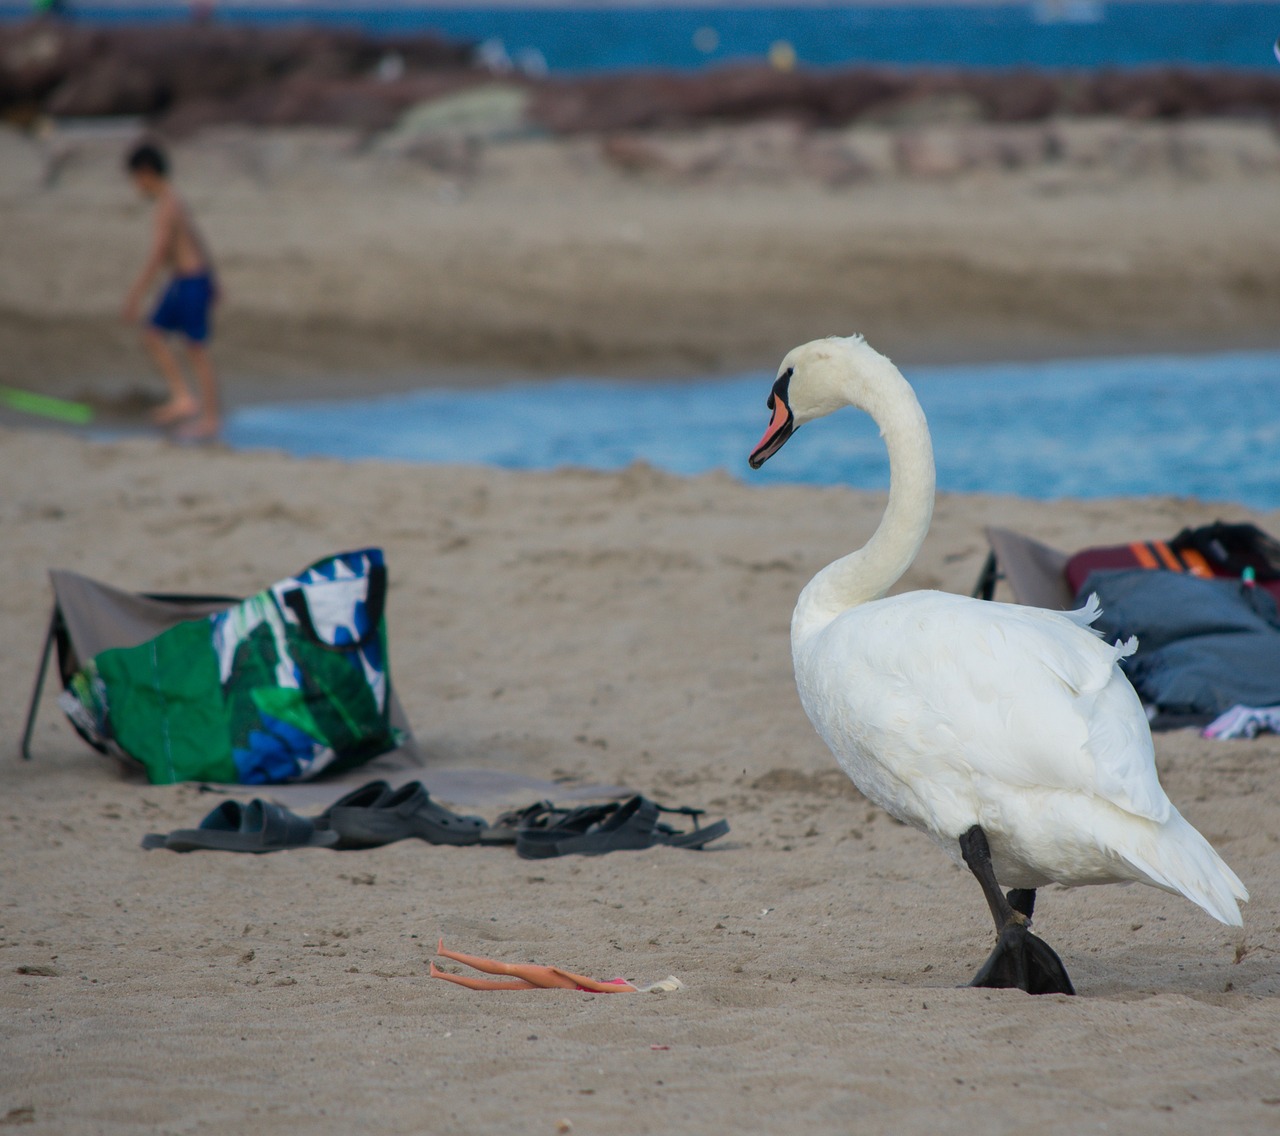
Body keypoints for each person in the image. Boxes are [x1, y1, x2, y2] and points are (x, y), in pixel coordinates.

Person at [122, 140, 222, 439]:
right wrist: (214, 280)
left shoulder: (168, 205)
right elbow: (196, 238)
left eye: (135, 178)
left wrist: (135, 295)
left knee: (196, 349)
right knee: (153, 334)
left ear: (146, 172)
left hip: (190, 281)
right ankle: (183, 398)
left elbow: (159, 253)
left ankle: (209, 417)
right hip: (184, 280)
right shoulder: (174, 201)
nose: (135, 186)